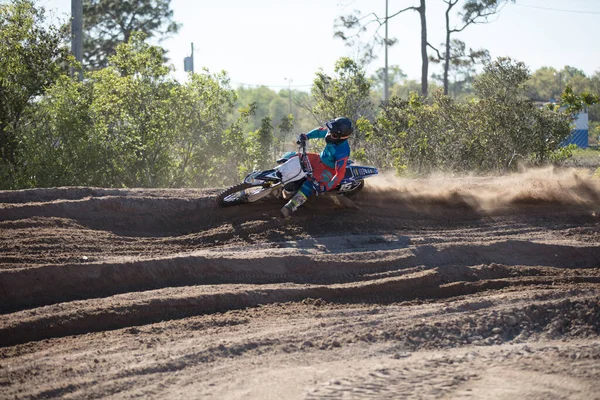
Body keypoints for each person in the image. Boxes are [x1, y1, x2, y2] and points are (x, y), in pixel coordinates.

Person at [281, 117, 353, 217]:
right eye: (330, 131)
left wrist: (326, 186)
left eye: (333, 134)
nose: (329, 134)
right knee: (289, 156)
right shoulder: (333, 133)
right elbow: (319, 132)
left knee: (310, 184)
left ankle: (291, 206)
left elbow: (339, 174)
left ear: (341, 137)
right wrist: (306, 136)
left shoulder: (343, 152)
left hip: (327, 170)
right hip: (318, 159)